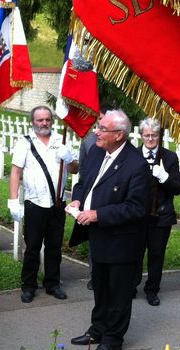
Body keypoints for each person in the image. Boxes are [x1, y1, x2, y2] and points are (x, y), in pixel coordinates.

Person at [68, 109, 150, 350]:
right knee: (101, 287)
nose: (96, 131)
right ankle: (98, 328)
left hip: (122, 241)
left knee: (119, 292)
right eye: (98, 126)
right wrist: (77, 200)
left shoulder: (136, 165)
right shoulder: (96, 151)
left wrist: (97, 214)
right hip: (98, 237)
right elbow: (84, 181)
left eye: (102, 128)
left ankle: (113, 338)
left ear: (119, 135)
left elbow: (136, 208)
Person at [8, 106, 78, 303]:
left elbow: (74, 169)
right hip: (35, 204)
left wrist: (70, 158)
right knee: (32, 247)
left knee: (54, 247)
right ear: (33, 122)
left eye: (47, 119)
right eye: (40, 120)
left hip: (57, 204)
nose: (44, 123)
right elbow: (15, 172)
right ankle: (28, 286)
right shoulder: (25, 143)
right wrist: (13, 201)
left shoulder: (61, 141)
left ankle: (52, 284)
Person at [133, 118, 180, 306]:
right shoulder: (133, 155)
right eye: (147, 135)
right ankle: (131, 285)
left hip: (161, 215)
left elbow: (177, 188)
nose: (151, 139)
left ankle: (152, 290)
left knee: (156, 254)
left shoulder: (169, 157)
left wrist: (164, 177)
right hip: (137, 215)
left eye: (154, 135)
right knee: (135, 252)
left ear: (160, 136)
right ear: (141, 136)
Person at [78, 105, 109, 291]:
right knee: (94, 239)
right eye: (99, 119)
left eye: (104, 119)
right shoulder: (89, 142)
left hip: (110, 197)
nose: (99, 123)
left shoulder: (119, 142)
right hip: (93, 195)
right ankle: (94, 274)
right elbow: (83, 170)